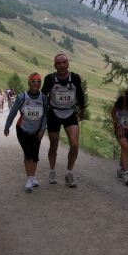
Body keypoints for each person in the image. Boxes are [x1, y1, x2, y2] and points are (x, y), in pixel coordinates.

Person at [41, 53, 85, 187]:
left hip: (70, 113)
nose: (62, 66)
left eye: (64, 63)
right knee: (54, 145)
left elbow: (80, 93)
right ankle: (52, 171)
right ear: (55, 66)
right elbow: (43, 95)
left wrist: (82, 109)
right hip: (54, 113)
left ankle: (69, 173)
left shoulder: (75, 78)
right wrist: (42, 112)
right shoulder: (50, 78)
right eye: (59, 63)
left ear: (68, 64)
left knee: (75, 144)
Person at [4, 73, 48, 192]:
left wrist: (43, 129)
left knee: (35, 155)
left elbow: (45, 115)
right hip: (22, 129)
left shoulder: (43, 97)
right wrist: (7, 126)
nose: (35, 83)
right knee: (28, 153)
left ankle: (33, 177)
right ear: (29, 83)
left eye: (38, 81)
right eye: (33, 81)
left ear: (40, 84)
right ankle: (29, 179)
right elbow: (13, 112)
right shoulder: (22, 97)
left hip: (37, 130)